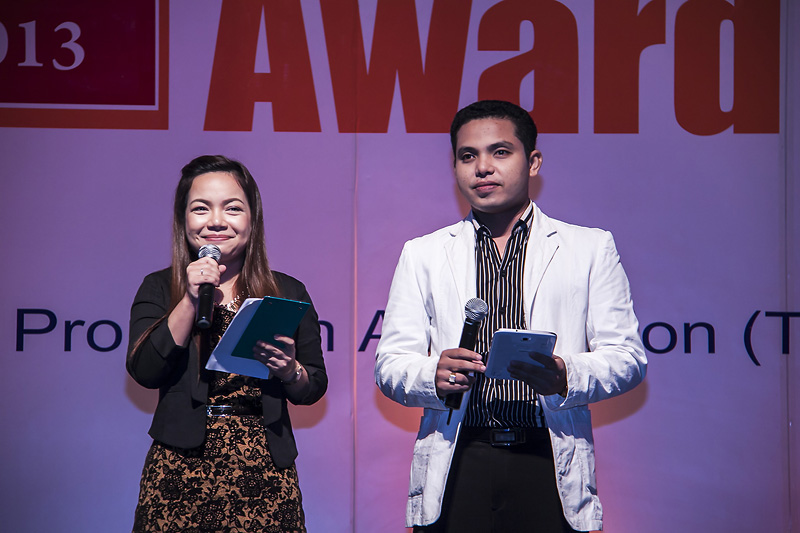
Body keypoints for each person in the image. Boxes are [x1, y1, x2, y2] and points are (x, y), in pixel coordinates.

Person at [375, 100, 646, 532]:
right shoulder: (422, 253)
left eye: (500, 152)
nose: (483, 167)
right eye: (468, 156)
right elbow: (390, 365)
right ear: (455, 167)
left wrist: (564, 374)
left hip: (547, 460)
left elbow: (627, 358)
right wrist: (432, 375)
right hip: (458, 458)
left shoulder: (590, 248)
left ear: (533, 161)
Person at [127, 155, 327, 532]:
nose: (217, 221)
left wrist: (290, 370)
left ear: (252, 218)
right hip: (178, 470)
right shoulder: (159, 287)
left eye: (232, 208)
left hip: (264, 470)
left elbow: (313, 386)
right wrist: (190, 299)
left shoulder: (287, 291)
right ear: (183, 219)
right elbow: (145, 371)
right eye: (201, 208)